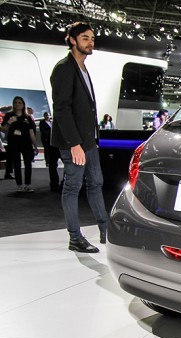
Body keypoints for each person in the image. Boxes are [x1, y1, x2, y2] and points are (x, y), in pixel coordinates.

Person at [50, 22, 108, 253]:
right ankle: (75, 237)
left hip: (89, 141)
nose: (90, 42)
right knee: (72, 188)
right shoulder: (64, 68)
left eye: (92, 38)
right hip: (74, 142)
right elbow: (62, 109)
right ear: (72, 40)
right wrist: (74, 144)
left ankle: (105, 229)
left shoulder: (83, 69)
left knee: (96, 183)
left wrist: (89, 140)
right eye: (85, 38)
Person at [0, 96, 38, 192]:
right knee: (17, 164)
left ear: (23, 104)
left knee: (28, 164)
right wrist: (9, 122)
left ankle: (27, 185)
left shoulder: (27, 117)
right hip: (13, 143)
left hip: (26, 143)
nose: (17, 104)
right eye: (15, 102)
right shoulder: (9, 115)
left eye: (19, 102)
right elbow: (3, 130)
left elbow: (31, 133)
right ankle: (19, 185)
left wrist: (35, 146)